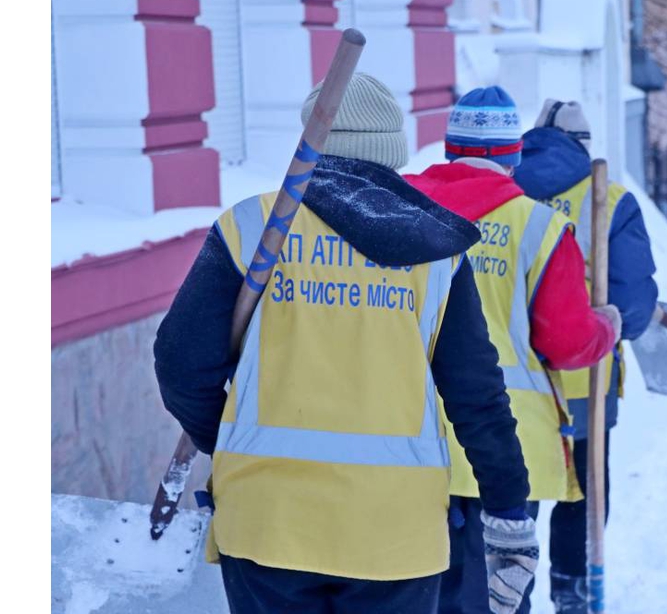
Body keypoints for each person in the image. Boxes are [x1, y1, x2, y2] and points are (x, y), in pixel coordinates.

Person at [153, 74, 538, 614]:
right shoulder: (437, 250)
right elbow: (478, 399)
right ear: (391, 151)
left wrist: (230, 438)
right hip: (396, 536)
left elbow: (178, 364)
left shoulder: (251, 227)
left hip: (268, 522)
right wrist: (508, 513)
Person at [404, 86, 622, 614]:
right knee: (492, 601)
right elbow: (567, 342)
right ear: (513, 153)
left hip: (403, 437)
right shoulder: (538, 225)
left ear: (449, 146)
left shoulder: (399, 209)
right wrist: (606, 328)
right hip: (502, 450)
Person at [516, 99, 659, 613]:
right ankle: (573, 593)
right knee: (582, 492)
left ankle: (512, 594)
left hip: (508, 387)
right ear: (585, 146)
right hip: (585, 384)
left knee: (515, 495)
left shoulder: (505, 193)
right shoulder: (610, 200)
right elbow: (634, 306)